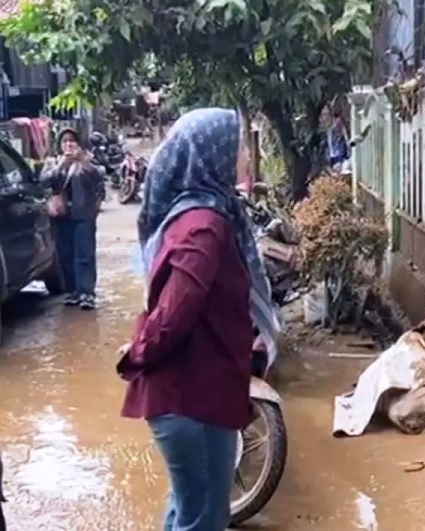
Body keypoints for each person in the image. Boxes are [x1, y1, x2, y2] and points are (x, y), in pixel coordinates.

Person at [116, 108, 280, 530]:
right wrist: (136, 353)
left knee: (191, 512)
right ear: (213, 154)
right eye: (239, 145)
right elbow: (173, 313)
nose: (245, 154)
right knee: (202, 518)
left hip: (202, 391)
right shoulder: (204, 226)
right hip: (189, 395)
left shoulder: (206, 213)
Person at [42, 128, 103, 309]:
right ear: (60, 145)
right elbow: (44, 181)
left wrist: (83, 162)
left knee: (84, 255)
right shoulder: (53, 162)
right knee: (65, 255)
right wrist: (61, 166)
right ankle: (72, 291)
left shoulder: (87, 161)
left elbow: (99, 177)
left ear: (78, 144)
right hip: (62, 216)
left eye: (72, 141)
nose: (69, 145)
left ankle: (87, 293)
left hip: (83, 214)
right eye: (65, 142)